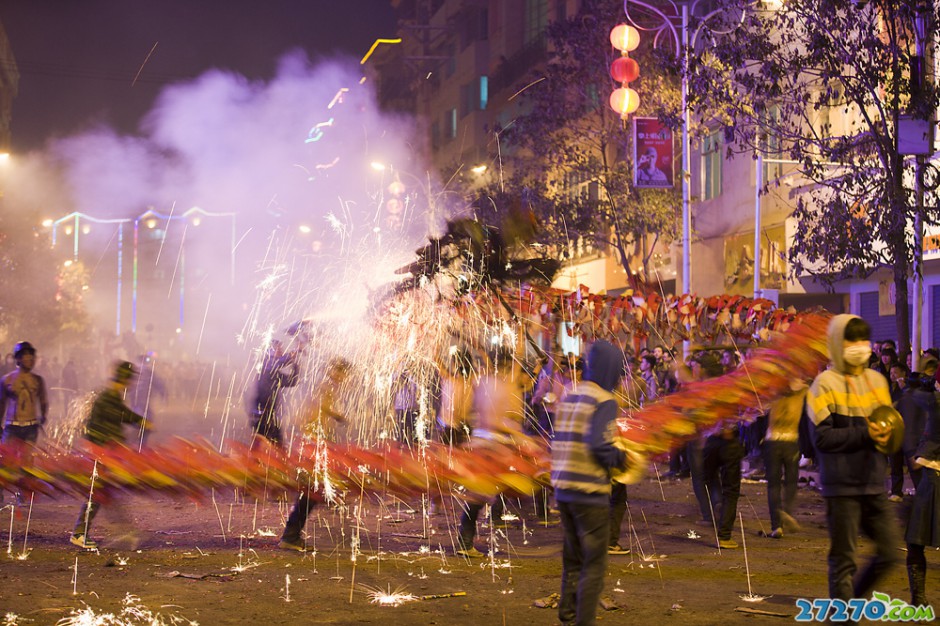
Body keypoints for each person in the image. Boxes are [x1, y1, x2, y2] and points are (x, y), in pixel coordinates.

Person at [807, 314, 898, 604]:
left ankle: (846, 609)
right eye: (852, 340)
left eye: (863, 339)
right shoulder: (823, 384)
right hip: (842, 487)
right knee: (844, 560)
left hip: (873, 483)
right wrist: (865, 435)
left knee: (890, 552)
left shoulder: (878, 381)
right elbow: (821, 439)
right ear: (837, 343)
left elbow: (888, 427)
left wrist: (889, 438)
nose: (860, 346)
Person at [551, 339, 627, 626]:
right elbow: (600, 446)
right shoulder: (605, 400)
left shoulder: (571, 395)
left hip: (564, 489)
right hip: (590, 492)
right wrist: (622, 457)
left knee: (573, 558)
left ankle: (567, 615)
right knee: (594, 563)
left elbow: (557, 440)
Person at [70, 361, 149, 549]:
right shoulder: (107, 398)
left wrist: (140, 421)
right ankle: (80, 533)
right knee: (98, 493)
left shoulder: (112, 397)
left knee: (107, 493)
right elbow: (96, 427)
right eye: (130, 380)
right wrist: (105, 449)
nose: (132, 384)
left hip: (105, 452)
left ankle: (124, 529)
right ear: (125, 379)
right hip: (101, 453)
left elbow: (123, 414)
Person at [279, 358, 351, 551]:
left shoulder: (327, 386)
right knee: (310, 492)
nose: (344, 378)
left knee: (312, 492)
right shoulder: (325, 386)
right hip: (311, 445)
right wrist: (336, 417)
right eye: (342, 373)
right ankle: (290, 535)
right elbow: (314, 410)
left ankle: (292, 534)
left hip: (313, 444)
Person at [903, 356, 940, 607]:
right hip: (931, 476)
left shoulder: (933, 401)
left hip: (934, 478)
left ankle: (919, 601)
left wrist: (923, 454)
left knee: (915, 542)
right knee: (915, 542)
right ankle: (919, 601)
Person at [762, 378, 807, 538]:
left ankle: (777, 526)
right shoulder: (802, 390)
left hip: (772, 439)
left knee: (773, 485)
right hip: (791, 439)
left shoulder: (772, 390)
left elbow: (762, 409)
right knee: (791, 482)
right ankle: (787, 512)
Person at [248, 340, 299, 449]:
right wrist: (291, 356)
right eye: (279, 349)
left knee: (277, 446)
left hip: (270, 417)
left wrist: (295, 365)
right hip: (260, 415)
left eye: (282, 349)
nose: (282, 351)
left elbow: (292, 381)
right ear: (270, 351)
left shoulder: (274, 372)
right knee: (261, 447)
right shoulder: (265, 367)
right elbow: (277, 363)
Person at [0, 341, 48, 444]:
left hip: (31, 427)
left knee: (27, 459)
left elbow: (43, 401)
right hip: (12, 426)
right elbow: (1, 403)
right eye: (26, 355)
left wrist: (43, 416)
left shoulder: (38, 380)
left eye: (31, 355)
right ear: (18, 358)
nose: (30, 359)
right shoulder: (7, 380)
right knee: (8, 459)